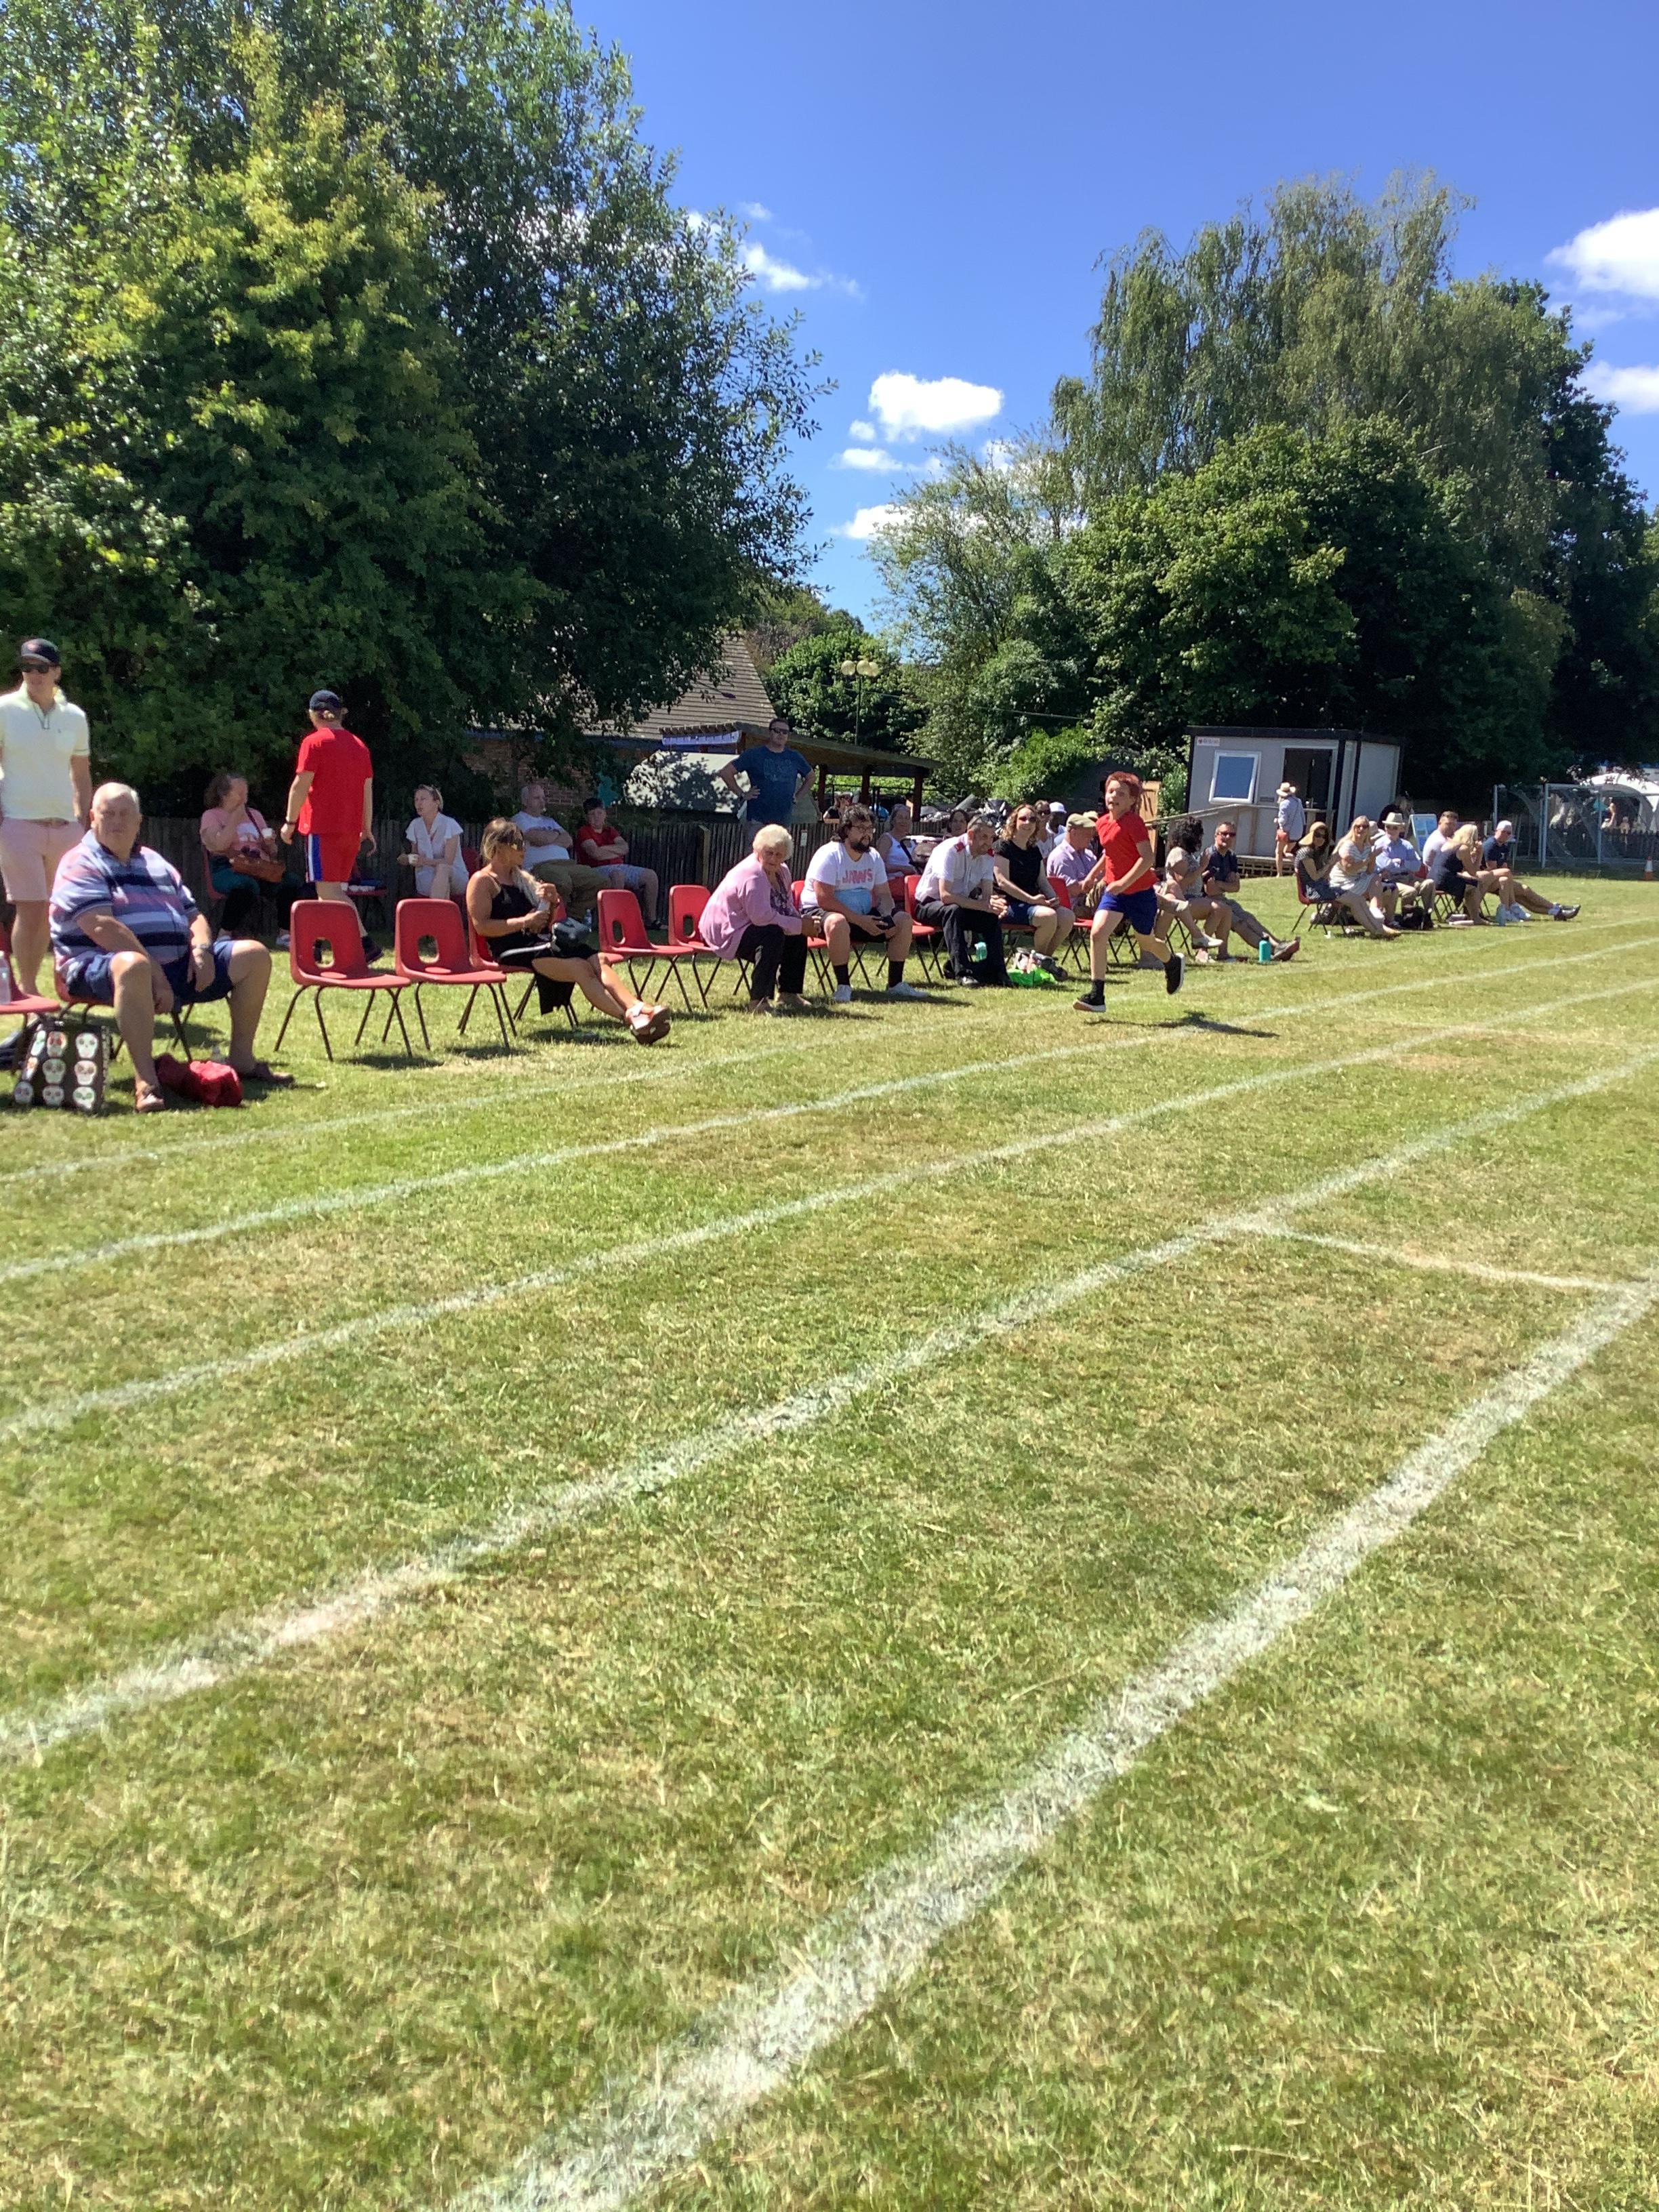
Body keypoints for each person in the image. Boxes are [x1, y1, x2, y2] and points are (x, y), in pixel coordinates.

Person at [50, 782, 289, 1110]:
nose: (117, 821)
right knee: (133, 965)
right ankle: (147, 1081)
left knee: (254, 956)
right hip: (98, 967)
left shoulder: (155, 861)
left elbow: (194, 915)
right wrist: (155, 975)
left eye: (125, 814)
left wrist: (202, 951)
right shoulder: (80, 861)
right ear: (93, 818)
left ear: (139, 821)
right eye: (108, 814)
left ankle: (242, 1060)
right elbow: (102, 927)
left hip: (178, 966)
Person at [466, 820, 668, 1041]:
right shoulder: (483, 881)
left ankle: (638, 1008)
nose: (524, 849)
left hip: (540, 941)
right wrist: (524, 922)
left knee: (599, 959)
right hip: (511, 949)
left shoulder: (522, 879)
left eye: (524, 843)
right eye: (518, 844)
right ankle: (632, 1019)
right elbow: (482, 927)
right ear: (498, 847)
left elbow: (545, 923)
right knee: (581, 968)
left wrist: (552, 903)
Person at [0, 638, 91, 1004]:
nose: (33, 674)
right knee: (31, 907)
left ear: (56, 672)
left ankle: (56, 984)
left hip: (66, 827)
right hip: (18, 822)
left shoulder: (75, 717)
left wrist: (82, 823)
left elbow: (81, 774)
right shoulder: (4, 710)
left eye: (41, 668)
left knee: (58, 910)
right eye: (27, 667)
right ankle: (28, 991)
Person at [1074, 771, 1183, 1006]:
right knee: (1097, 934)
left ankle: (1172, 962)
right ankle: (1097, 995)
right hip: (1115, 893)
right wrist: (1092, 876)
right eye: (1111, 791)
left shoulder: (1134, 823)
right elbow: (1110, 852)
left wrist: (1124, 883)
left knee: (1146, 942)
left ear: (1133, 800)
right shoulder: (1103, 823)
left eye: (1121, 794)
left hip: (1140, 893)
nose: (1114, 796)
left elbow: (1147, 858)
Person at [802, 804, 922, 1002]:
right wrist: (860, 920)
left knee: (903, 920)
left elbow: (883, 895)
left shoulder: (873, 857)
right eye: (861, 828)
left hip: (863, 916)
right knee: (838, 922)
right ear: (846, 830)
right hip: (821, 914)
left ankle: (895, 984)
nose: (867, 834)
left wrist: (887, 918)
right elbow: (825, 899)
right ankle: (843, 987)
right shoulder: (830, 854)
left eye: (870, 829)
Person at [279, 689, 373, 924]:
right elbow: (367, 790)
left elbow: (300, 786)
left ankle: (363, 941)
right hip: (351, 831)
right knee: (330, 894)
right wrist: (367, 827)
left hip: (322, 828)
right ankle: (328, 941)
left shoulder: (314, 742)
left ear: (314, 714)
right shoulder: (359, 746)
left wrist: (290, 822)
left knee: (329, 893)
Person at [700, 823, 811, 1012]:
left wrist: (803, 923)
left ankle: (789, 993)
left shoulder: (783, 872)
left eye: (779, 855)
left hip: (750, 925)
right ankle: (759, 1001)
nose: (773, 859)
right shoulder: (753, 874)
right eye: (769, 853)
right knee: (773, 935)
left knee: (796, 933)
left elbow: (786, 905)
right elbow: (762, 918)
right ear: (758, 850)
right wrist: (799, 925)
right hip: (728, 930)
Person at [915, 812, 1010, 986]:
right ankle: (962, 972)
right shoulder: (950, 851)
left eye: (992, 838)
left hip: (960, 905)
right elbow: (945, 896)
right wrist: (983, 905)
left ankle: (998, 972)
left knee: (990, 917)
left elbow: (987, 896)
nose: (989, 843)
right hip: (928, 905)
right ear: (971, 835)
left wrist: (994, 906)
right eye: (984, 837)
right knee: (953, 910)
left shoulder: (988, 855)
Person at [201, 772, 293, 943]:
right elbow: (219, 845)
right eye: (239, 793)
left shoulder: (254, 815)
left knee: (290, 882)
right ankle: (224, 935)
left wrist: (269, 844)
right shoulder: (211, 816)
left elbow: (273, 852)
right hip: (227, 866)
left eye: (246, 793)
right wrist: (234, 820)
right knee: (246, 885)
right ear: (224, 794)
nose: (245, 798)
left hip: (258, 866)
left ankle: (284, 934)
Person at [1200, 821, 1300, 960]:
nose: (1228, 837)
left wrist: (1219, 884)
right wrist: (1225, 885)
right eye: (1224, 834)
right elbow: (1210, 890)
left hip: (1222, 899)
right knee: (1240, 923)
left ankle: (1278, 945)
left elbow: (1236, 887)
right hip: (1206, 901)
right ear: (1216, 835)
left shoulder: (1231, 857)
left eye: (1232, 835)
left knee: (1249, 918)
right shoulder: (1209, 856)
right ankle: (1274, 950)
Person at [992, 804, 1075, 970]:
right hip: (1007, 905)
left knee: (1067, 916)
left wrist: (1053, 899)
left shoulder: (1034, 850)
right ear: (1014, 822)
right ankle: (1039, 962)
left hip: (1033, 903)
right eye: (1023, 819)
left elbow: (1043, 881)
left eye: (1032, 820)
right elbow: (1002, 882)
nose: (1027, 823)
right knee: (1048, 916)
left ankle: (1044, 961)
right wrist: (1032, 900)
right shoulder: (1003, 847)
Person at [510, 779, 606, 920]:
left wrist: (548, 837)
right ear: (525, 801)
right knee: (562, 882)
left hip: (567, 865)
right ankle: (557, 919)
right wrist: (556, 835)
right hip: (540, 866)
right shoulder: (519, 820)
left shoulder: (550, 821)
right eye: (537, 798)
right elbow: (538, 838)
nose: (542, 802)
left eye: (543, 798)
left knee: (601, 882)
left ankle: (572, 918)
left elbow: (568, 841)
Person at [1297, 821, 1398, 937]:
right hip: (1314, 891)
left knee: (1359, 900)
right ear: (1311, 836)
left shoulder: (1316, 852)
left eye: (1324, 837)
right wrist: (1330, 864)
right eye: (1318, 835)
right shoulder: (1306, 853)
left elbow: (1323, 877)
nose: (1321, 839)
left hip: (1323, 887)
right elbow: (1315, 877)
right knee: (1355, 901)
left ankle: (1378, 929)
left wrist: (1332, 864)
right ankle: (1377, 931)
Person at [574, 798, 659, 926]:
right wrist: (614, 851)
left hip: (619, 866)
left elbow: (625, 848)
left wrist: (603, 849)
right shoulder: (584, 832)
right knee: (617, 875)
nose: (596, 817)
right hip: (594, 870)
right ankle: (614, 919)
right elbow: (596, 854)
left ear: (605, 814)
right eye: (592, 814)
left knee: (651, 876)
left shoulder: (610, 831)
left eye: (599, 813)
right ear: (587, 817)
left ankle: (651, 920)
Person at [719, 716, 813, 827]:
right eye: (777, 731)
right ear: (770, 733)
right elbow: (726, 772)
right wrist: (742, 794)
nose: (781, 734)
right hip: (757, 820)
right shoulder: (754, 755)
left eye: (785, 732)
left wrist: (798, 797)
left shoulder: (795, 757)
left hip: (784, 821)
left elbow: (811, 777)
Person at [1156, 821, 1231, 957]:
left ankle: (1223, 954)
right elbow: (1181, 885)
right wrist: (1202, 867)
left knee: (1226, 909)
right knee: (1219, 908)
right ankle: (1202, 950)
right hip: (1182, 900)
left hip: (1194, 898)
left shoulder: (1187, 854)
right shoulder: (1178, 854)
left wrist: (1204, 874)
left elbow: (1192, 877)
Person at [1480, 821, 1578, 922]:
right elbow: (1493, 869)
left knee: (1524, 897)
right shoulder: (1490, 845)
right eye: (1505, 833)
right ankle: (1557, 908)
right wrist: (1507, 876)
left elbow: (1504, 866)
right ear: (1498, 831)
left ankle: (1557, 912)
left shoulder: (1504, 847)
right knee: (1524, 890)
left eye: (1510, 833)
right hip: (1490, 881)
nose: (1507, 836)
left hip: (1502, 879)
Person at [403, 783, 468, 901]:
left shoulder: (450, 824)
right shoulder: (415, 825)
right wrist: (409, 859)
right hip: (426, 877)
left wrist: (424, 861)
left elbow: (448, 861)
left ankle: (433, 911)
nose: (419, 803)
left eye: (423, 799)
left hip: (455, 876)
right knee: (442, 887)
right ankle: (441, 912)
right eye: (416, 800)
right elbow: (415, 856)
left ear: (436, 803)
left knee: (443, 868)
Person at [1371, 811, 1427, 920]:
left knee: (1429, 884)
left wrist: (1402, 862)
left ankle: (1426, 916)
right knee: (1410, 891)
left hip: (1408, 877)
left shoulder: (1407, 845)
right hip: (1391, 879)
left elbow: (1417, 865)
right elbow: (1385, 865)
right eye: (1388, 827)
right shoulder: (1380, 844)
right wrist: (1405, 865)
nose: (1391, 830)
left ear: (1401, 829)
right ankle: (1405, 919)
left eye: (1395, 828)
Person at [1048, 814, 1100, 913]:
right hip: (1072, 908)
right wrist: (1096, 883)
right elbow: (1072, 890)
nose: (1091, 839)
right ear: (1074, 833)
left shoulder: (1088, 855)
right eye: (1087, 835)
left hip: (1090, 903)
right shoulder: (1061, 856)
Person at [877, 798, 921, 885]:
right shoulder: (887, 839)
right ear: (893, 821)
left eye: (907, 818)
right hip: (892, 883)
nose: (904, 821)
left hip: (911, 882)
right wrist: (901, 868)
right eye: (900, 818)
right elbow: (879, 865)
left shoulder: (912, 841)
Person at [1273, 781, 1306, 874]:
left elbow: (1283, 820)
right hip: (1297, 832)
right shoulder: (1298, 801)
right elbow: (1303, 817)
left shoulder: (1284, 804)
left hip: (1286, 832)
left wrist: (1277, 821)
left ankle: (1280, 873)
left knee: (1279, 852)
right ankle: (1300, 867)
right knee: (1287, 851)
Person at [1420, 808, 1460, 877]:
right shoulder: (1440, 842)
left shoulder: (1438, 835)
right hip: (1435, 877)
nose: (1451, 827)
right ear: (1439, 823)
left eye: (1454, 825)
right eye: (1448, 824)